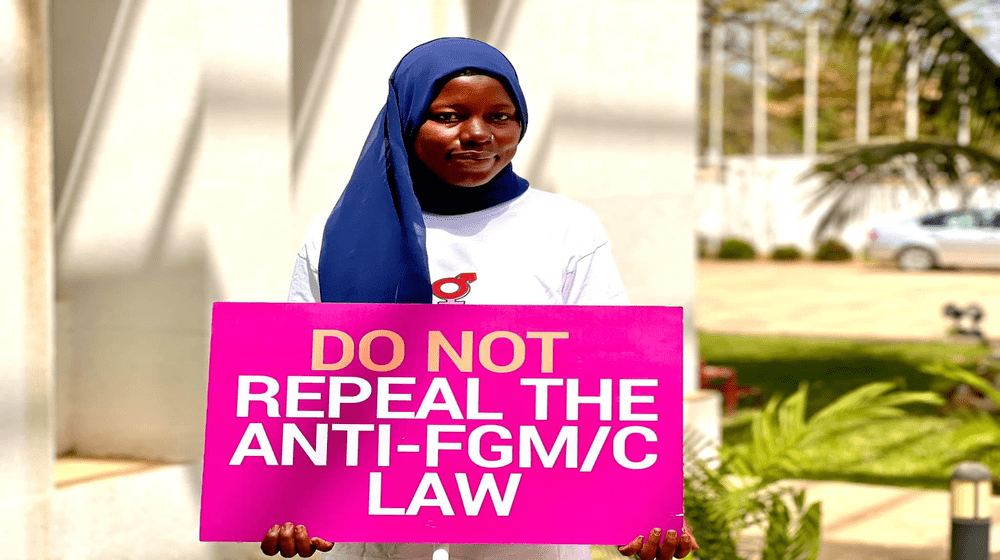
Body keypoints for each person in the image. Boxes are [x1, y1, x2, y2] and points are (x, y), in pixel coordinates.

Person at [271, 37, 698, 560]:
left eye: (500, 116)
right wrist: (285, 501)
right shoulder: (336, 237)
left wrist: (637, 508)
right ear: (404, 121)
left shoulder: (564, 229)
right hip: (378, 537)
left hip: (530, 539)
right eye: (449, 115)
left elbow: (610, 379)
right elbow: (297, 384)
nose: (477, 135)